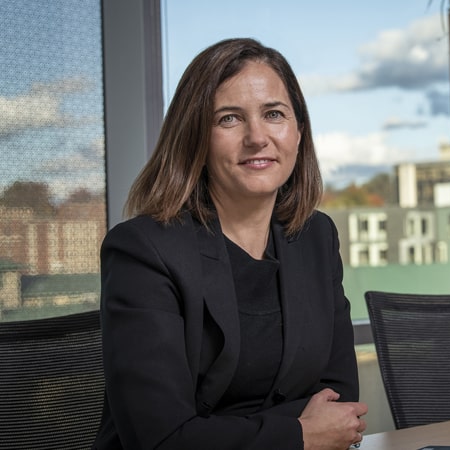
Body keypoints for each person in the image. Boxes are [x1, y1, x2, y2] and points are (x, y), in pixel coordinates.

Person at [92, 38, 368, 450]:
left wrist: (219, 430)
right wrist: (299, 433)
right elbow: (163, 440)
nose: (257, 137)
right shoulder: (142, 251)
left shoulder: (315, 237)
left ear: (298, 132)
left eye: (274, 114)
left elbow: (341, 404)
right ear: (195, 139)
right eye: (229, 119)